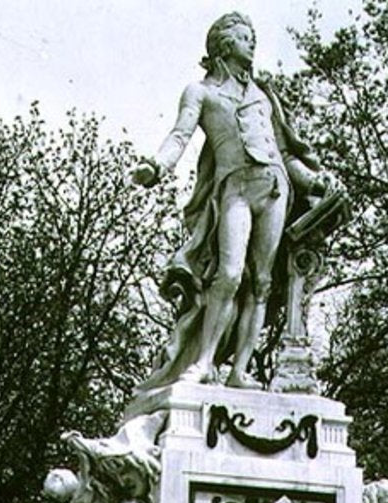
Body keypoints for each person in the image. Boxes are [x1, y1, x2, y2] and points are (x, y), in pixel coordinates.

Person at [133, 11, 327, 390]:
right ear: (223, 44)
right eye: (243, 36)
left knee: (263, 283)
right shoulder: (201, 92)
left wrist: (313, 180)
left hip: (275, 188)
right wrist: (156, 166)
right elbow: (179, 134)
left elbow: (284, 151)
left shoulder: (263, 94)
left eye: (251, 35)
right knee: (230, 274)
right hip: (234, 188)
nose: (251, 42)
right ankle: (205, 363)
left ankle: (239, 371)